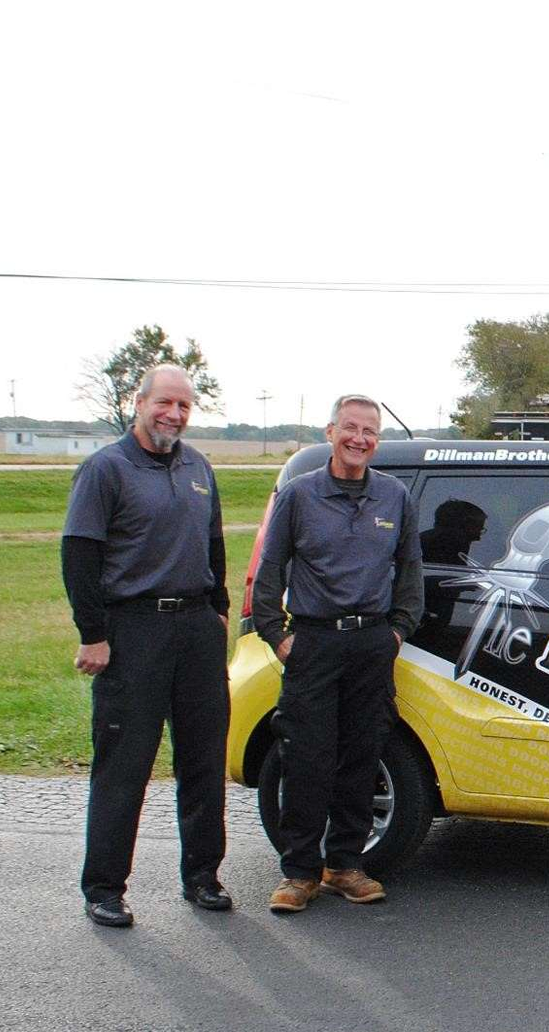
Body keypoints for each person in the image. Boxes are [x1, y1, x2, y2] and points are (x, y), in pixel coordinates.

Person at [61, 364, 232, 927]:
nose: (174, 415)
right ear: (140, 402)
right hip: (133, 631)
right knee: (125, 763)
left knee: (203, 758)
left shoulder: (199, 467)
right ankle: (105, 886)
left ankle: (202, 875)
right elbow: (80, 555)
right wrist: (94, 634)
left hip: (195, 629)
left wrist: (219, 612)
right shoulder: (106, 469)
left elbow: (213, 547)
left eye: (184, 406)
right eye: (165, 403)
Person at [252, 394, 422, 913]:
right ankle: (299, 872)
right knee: (305, 758)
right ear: (331, 432)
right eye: (350, 428)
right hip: (314, 641)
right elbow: (269, 570)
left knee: (362, 755)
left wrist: (396, 632)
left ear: (377, 439)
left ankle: (345, 866)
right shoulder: (300, 496)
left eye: (369, 431)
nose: (359, 439)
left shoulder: (394, 497)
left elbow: (409, 572)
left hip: (371, 642)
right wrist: (278, 636)